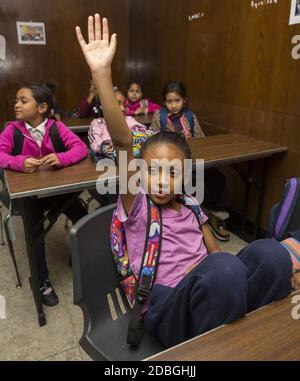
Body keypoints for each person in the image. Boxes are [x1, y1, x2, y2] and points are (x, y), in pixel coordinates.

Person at [76, 13, 297, 348]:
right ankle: (220, 343)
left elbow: (215, 253)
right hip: (165, 304)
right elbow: (123, 143)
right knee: (223, 271)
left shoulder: (192, 205)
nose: (162, 181)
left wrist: (231, 276)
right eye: (152, 170)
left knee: (271, 255)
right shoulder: (136, 203)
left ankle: (246, 332)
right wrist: (102, 73)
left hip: (207, 292)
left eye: (173, 172)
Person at [0, 83, 88, 306]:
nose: (16, 104)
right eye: (16, 100)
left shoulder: (57, 127)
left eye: (23, 100)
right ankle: (41, 280)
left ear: (42, 107)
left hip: (57, 191)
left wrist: (62, 158)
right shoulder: (12, 130)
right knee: (34, 233)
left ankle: (81, 258)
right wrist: (19, 162)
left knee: (83, 216)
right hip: (30, 196)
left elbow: (80, 148)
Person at [151, 81, 230, 242]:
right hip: (169, 162)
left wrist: (191, 138)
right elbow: (152, 138)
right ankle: (200, 219)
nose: (173, 105)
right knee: (189, 185)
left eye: (177, 101)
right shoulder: (159, 116)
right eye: (169, 101)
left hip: (191, 158)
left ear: (184, 100)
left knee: (217, 177)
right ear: (164, 102)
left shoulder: (190, 116)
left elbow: (201, 138)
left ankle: (216, 212)